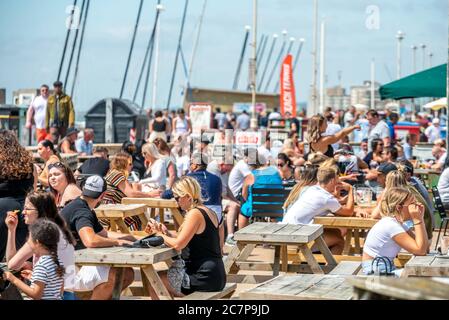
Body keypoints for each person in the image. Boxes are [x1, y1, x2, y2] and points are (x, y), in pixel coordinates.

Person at [144, 177, 226, 298]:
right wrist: (167, 233)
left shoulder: (195, 214)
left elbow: (178, 245)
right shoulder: (208, 211)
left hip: (202, 276)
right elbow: (193, 238)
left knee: (155, 281)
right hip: (215, 275)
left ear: (188, 197)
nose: (176, 201)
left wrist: (158, 234)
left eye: (177, 197)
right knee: (161, 277)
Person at [60, 176, 135, 299]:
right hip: (66, 272)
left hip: (68, 266)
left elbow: (103, 234)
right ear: (103, 195)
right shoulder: (82, 211)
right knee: (118, 274)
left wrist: (131, 238)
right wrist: (117, 242)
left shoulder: (81, 205)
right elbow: (91, 240)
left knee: (127, 273)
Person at [5, 191, 76, 299]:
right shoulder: (55, 228)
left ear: (40, 211)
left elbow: (12, 265)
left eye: (27, 208)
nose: (23, 212)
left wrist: (11, 230)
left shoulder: (41, 234)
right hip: (64, 293)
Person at [282, 166, 354, 254]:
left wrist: (336, 190)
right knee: (339, 240)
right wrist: (351, 190)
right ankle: (330, 267)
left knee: (334, 232)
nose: (338, 183)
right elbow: (348, 211)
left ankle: (320, 262)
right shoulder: (326, 198)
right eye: (337, 181)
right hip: (297, 235)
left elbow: (333, 203)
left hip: (286, 229)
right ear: (331, 181)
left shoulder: (312, 189)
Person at [362, 187, 428, 276]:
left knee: (425, 278)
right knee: (422, 278)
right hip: (376, 272)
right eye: (412, 204)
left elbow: (424, 248)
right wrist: (417, 220)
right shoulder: (391, 225)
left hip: (383, 268)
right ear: (399, 207)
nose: (416, 206)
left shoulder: (398, 223)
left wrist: (420, 219)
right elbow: (420, 251)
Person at [2, 219, 65, 300]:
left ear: (37, 242)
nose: (27, 241)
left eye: (29, 238)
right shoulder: (57, 261)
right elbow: (60, 288)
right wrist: (34, 277)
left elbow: (36, 295)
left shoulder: (41, 265)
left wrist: (12, 279)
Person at [0, 130, 37, 261]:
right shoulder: (29, 164)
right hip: (25, 208)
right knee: (22, 256)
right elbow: (34, 189)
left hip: (2, 209)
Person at [102, 152, 160, 230]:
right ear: (122, 164)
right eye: (130, 164)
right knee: (137, 215)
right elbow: (131, 194)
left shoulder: (113, 173)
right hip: (109, 213)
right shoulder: (117, 174)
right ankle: (135, 238)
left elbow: (131, 194)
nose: (132, 166)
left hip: (109, 210)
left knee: (139, 215)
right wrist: (150, 194)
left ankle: (137, 236)